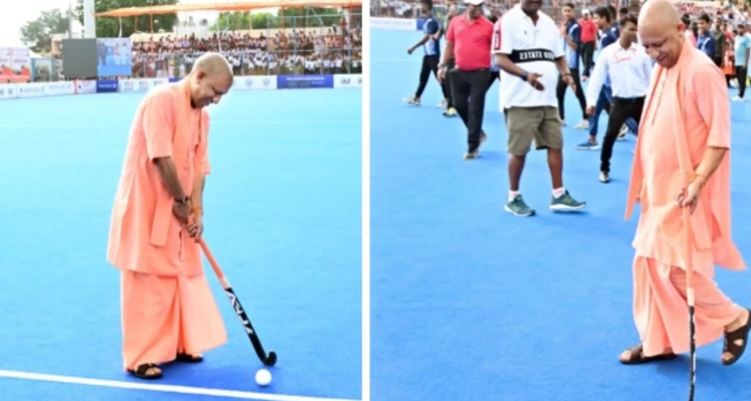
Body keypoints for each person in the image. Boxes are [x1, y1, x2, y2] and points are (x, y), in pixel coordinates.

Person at [619, 0, 750, 366]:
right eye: (646, 46)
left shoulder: (703, 72)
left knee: (675, 270)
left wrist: (697, 181)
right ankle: (658, 341)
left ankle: (734, 317)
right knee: (648, 265)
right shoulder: (662, 67)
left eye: (658, 44)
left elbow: (719, 139)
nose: (652, 53)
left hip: (685, 193)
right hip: (658, 191)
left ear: (680, 30)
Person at [107, 52, 234, 379]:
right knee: (148, 280)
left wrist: (197, 210)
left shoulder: (203, 118)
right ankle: (140, 356)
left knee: (183, 274)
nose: (216, 100)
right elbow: (161, 157)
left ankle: (179, 344)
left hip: (180, 208)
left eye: (221, 95)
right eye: (215, 92)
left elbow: (200, 168)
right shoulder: (160, 101)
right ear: (199, 76)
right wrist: (180, 200)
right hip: (147, 205)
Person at [494, 0, 586, 217]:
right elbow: (500, 59)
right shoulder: (507, 21)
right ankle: (513, 197)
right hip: (520, 100)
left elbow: (558, 56)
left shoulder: (548, 23)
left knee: (556, 145)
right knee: (518, 151)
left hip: (548, 99)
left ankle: (558, 194)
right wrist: (526, 76)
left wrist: (566, 75)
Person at [585, 14, 652, 183]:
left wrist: (653, 100)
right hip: (619, 102)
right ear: (621, 29)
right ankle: (604, 169)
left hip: (640, 102)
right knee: (609, 136)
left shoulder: (642, 52)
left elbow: (650, 78)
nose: (634, 33)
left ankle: (650, 171)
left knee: (649, 137)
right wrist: (591, 101)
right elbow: (597, 78)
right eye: (631, 29)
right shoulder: (608, 53)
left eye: (636, 30)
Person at [438, 0, 494, 160]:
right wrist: (442, 65)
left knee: (475, 107)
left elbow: (497, 49)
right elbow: (449, 45)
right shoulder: (455, 22)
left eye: (481, 5)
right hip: (459, 71)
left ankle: (472, 145)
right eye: (476, 6)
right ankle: (478, 133)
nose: (479, 9)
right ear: (468, 6)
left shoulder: (488, 26)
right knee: (459, 105)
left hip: (481, 72)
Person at [405, 0, 450, 107]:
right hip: (428, 55)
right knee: (423, 77)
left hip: (433, 55)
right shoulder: (428, 21)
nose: (420, 8)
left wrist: (413, 47)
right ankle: (417, 97)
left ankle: (448, 99)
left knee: (440, 78)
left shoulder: (431, 22)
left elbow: (427, 38)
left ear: (427, 7)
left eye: (422, 6)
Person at [556, 2, 589, 129]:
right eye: (565, 11)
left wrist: (565, 35)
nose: (567, 13)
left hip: (572, 65)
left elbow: (575, 46)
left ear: (573, 12)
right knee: (559, 92)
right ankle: (561, 118)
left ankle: (586, 119)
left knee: (577, 91)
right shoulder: (564, 25)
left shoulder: (576, 26)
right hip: (563, 64)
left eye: (569, 11)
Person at [732, 23, 750, 101]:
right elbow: (735, 49)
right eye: (738, 28)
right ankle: (740, 94)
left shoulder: (747, 38)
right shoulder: (736, 38)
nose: (740, 29)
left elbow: (748, 50)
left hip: (743, 62)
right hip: (737, 62)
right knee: (739, 79)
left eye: (741, 28)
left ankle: (741, 96)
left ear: (744, 29)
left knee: (742, 79)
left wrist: (746, 63)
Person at [579, 9, 597, 78]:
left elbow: (594, 33)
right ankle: (590, 68)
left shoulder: (591, 23)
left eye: (586, 14)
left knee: (587, 58)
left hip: (590, 42)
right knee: (583, 58)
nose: (585, 16)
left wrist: (595, 44)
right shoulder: (579, 22)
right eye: (584, 14)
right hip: (581, 43)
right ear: (582, 15)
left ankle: (585, 74)